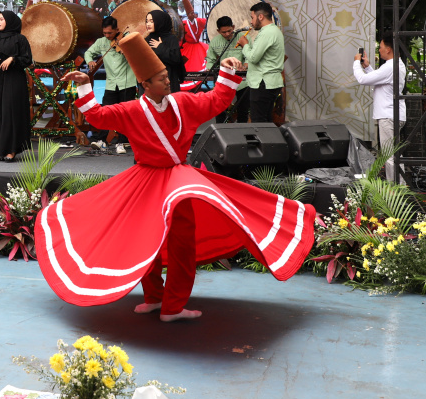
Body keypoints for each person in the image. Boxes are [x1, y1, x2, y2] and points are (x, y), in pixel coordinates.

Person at [36, 33, 316, 322]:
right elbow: (96, 116)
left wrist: (229, 70)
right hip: (145, 182)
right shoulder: (131, 110)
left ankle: (173, 306)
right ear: (145, 84)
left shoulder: (182, 103)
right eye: (159, 78)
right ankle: (155, 298)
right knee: (146, 241)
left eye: (165, 75)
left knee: (182, 243)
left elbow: (216, 100)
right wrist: (84, 85)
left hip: (178, 183)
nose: (167, 80)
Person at [352, 32, 406, 183]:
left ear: (388, 49)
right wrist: (368, 67)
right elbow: (378, 79)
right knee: (394, 153)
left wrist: (357, 63)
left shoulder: (390, 66)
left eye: (381, 47)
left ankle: (394, 190)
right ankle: (399, 185)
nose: (379, 50)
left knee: (389, 155)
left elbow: (363, 80)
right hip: (393, 113)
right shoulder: (395, 65)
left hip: (388, 115)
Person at [0, 10, 33, 161]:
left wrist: (12, 59)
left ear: (10, 21)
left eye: (1, 19)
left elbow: (27, 59)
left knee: (10, 112)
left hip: (14, 80)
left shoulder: (20, 39)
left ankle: (12, 149)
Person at [84, 16, 136, 153]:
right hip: (111, 82)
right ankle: (102, 141)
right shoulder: (101, 42)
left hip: (127, 82)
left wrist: (125, 48)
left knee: (125, 113)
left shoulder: (126, 38)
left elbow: (136, 54)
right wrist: (90, 61)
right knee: (106, 112)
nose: (107, 36)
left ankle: (122, 142)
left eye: (110, 33)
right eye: (105, 33)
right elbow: (89, 52)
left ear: (117, 30)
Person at [238, 2, 285, 123]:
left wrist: (245, 45)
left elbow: (253, 57)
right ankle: (269, 142)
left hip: (263, 83)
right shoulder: (274, 31)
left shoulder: (266, 33)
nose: (251, 22)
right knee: (265, 119)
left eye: (252, 17)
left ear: (260, 17)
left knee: (258, 121)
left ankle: (263, 142)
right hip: (270, 82)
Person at [205, 16, 250, 123]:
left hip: (242, 80)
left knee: (243, 109)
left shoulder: (242, 37)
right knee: (220, 109)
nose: (227, 34)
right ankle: (221, 131)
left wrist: (246, 65)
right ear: (218, 31)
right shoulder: (215, 41)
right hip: (224, 80)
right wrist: (209, 69)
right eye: (223, 32)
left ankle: (242, 133)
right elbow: (210, 59)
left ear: (233, 27)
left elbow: (250, 55)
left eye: (229, 31)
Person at [145, 10, 184, 93]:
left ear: (160, 22)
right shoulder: (146, 40)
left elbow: (176, 59)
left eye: (151, 21)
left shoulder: (170, 39)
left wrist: (160, 48)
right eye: (147, 21)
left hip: (169, 81)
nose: (148, 24)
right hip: (151, 83)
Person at [179, 0, 209, 88]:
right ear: (187, 15)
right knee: (187, 66)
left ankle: (199, 85)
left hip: (198, 46)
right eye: (189, 13)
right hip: (187, 46)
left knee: (200, 65)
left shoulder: (199, 21)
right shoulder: (183, 23)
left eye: (192, 13)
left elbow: (209, 20)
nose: (191, 15)